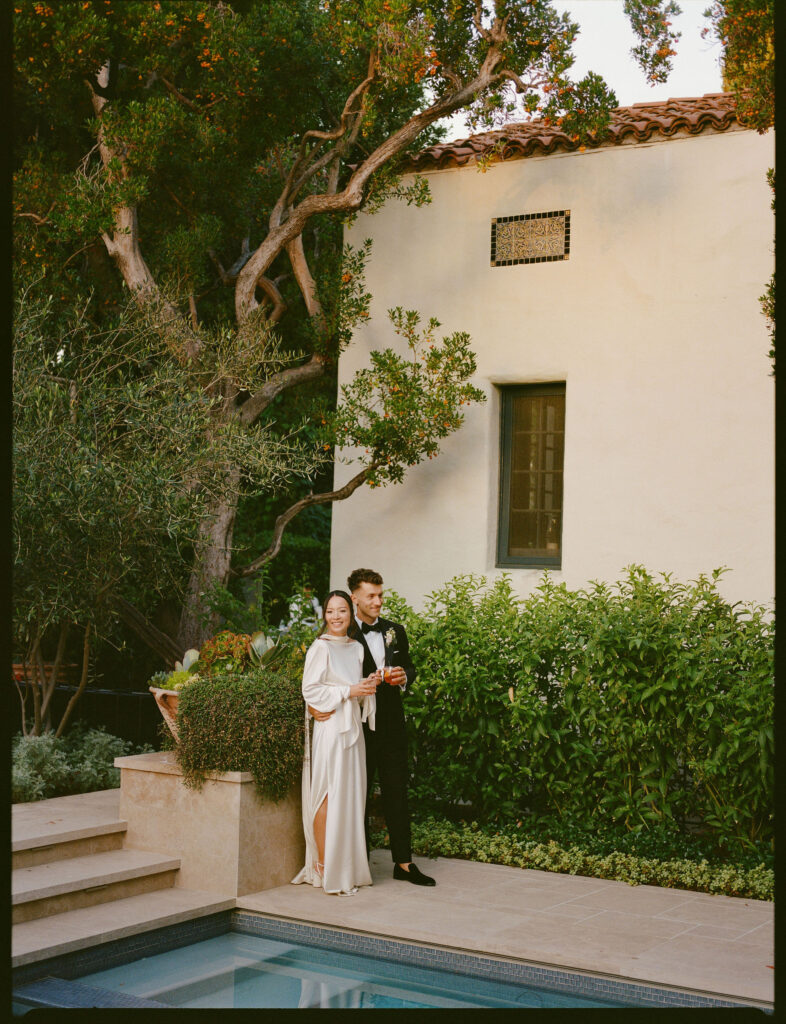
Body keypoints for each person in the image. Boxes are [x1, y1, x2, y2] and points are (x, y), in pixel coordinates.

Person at [308, 569, 436, 887]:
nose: (378, 601)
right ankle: (357, 861)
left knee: (397, 791)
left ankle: (404, 864)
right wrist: (313, 706)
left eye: (380, 595)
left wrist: (404, 677)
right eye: (371, 596)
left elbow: (409, 666)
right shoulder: (341, 633)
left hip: (392, 724)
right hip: (356, 726)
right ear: (355, 598)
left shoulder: (395, 631)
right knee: (356, 795)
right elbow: (321, 677)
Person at [291, 590, 378, 896]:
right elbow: (310, 690)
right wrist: (348, 692)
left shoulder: (356, 648)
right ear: (324, 616)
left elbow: (356, 690)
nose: (337, 617)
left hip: (352, 728)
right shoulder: (319, 647)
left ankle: (347, 865)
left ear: (350, 614)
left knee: (350, 794)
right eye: (331, 611)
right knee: (328, 793)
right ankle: (323, 865)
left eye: (342, 611)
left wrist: (367, 689)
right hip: (330, 729)